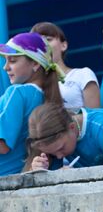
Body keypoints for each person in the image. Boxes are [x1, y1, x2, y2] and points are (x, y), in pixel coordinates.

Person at [0, 32, 63, 177]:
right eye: (6, 61)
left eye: (13, 61)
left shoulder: (17, 92)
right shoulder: (49, 99)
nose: (5, 67)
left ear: (35, 64)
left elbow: (3, 146)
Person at [31, 21, 101, 110]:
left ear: (64, 45)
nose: (43, 44)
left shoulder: (83, 74)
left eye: (48, 39)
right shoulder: (31, 85)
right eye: (37, 42)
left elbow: (95, 117)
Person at [25, 102, 103, 171]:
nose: (59, 156)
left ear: (72, 127)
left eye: (61, 148)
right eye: (52, 154)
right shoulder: (58, 143)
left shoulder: (102, 128)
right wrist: (39, 171)